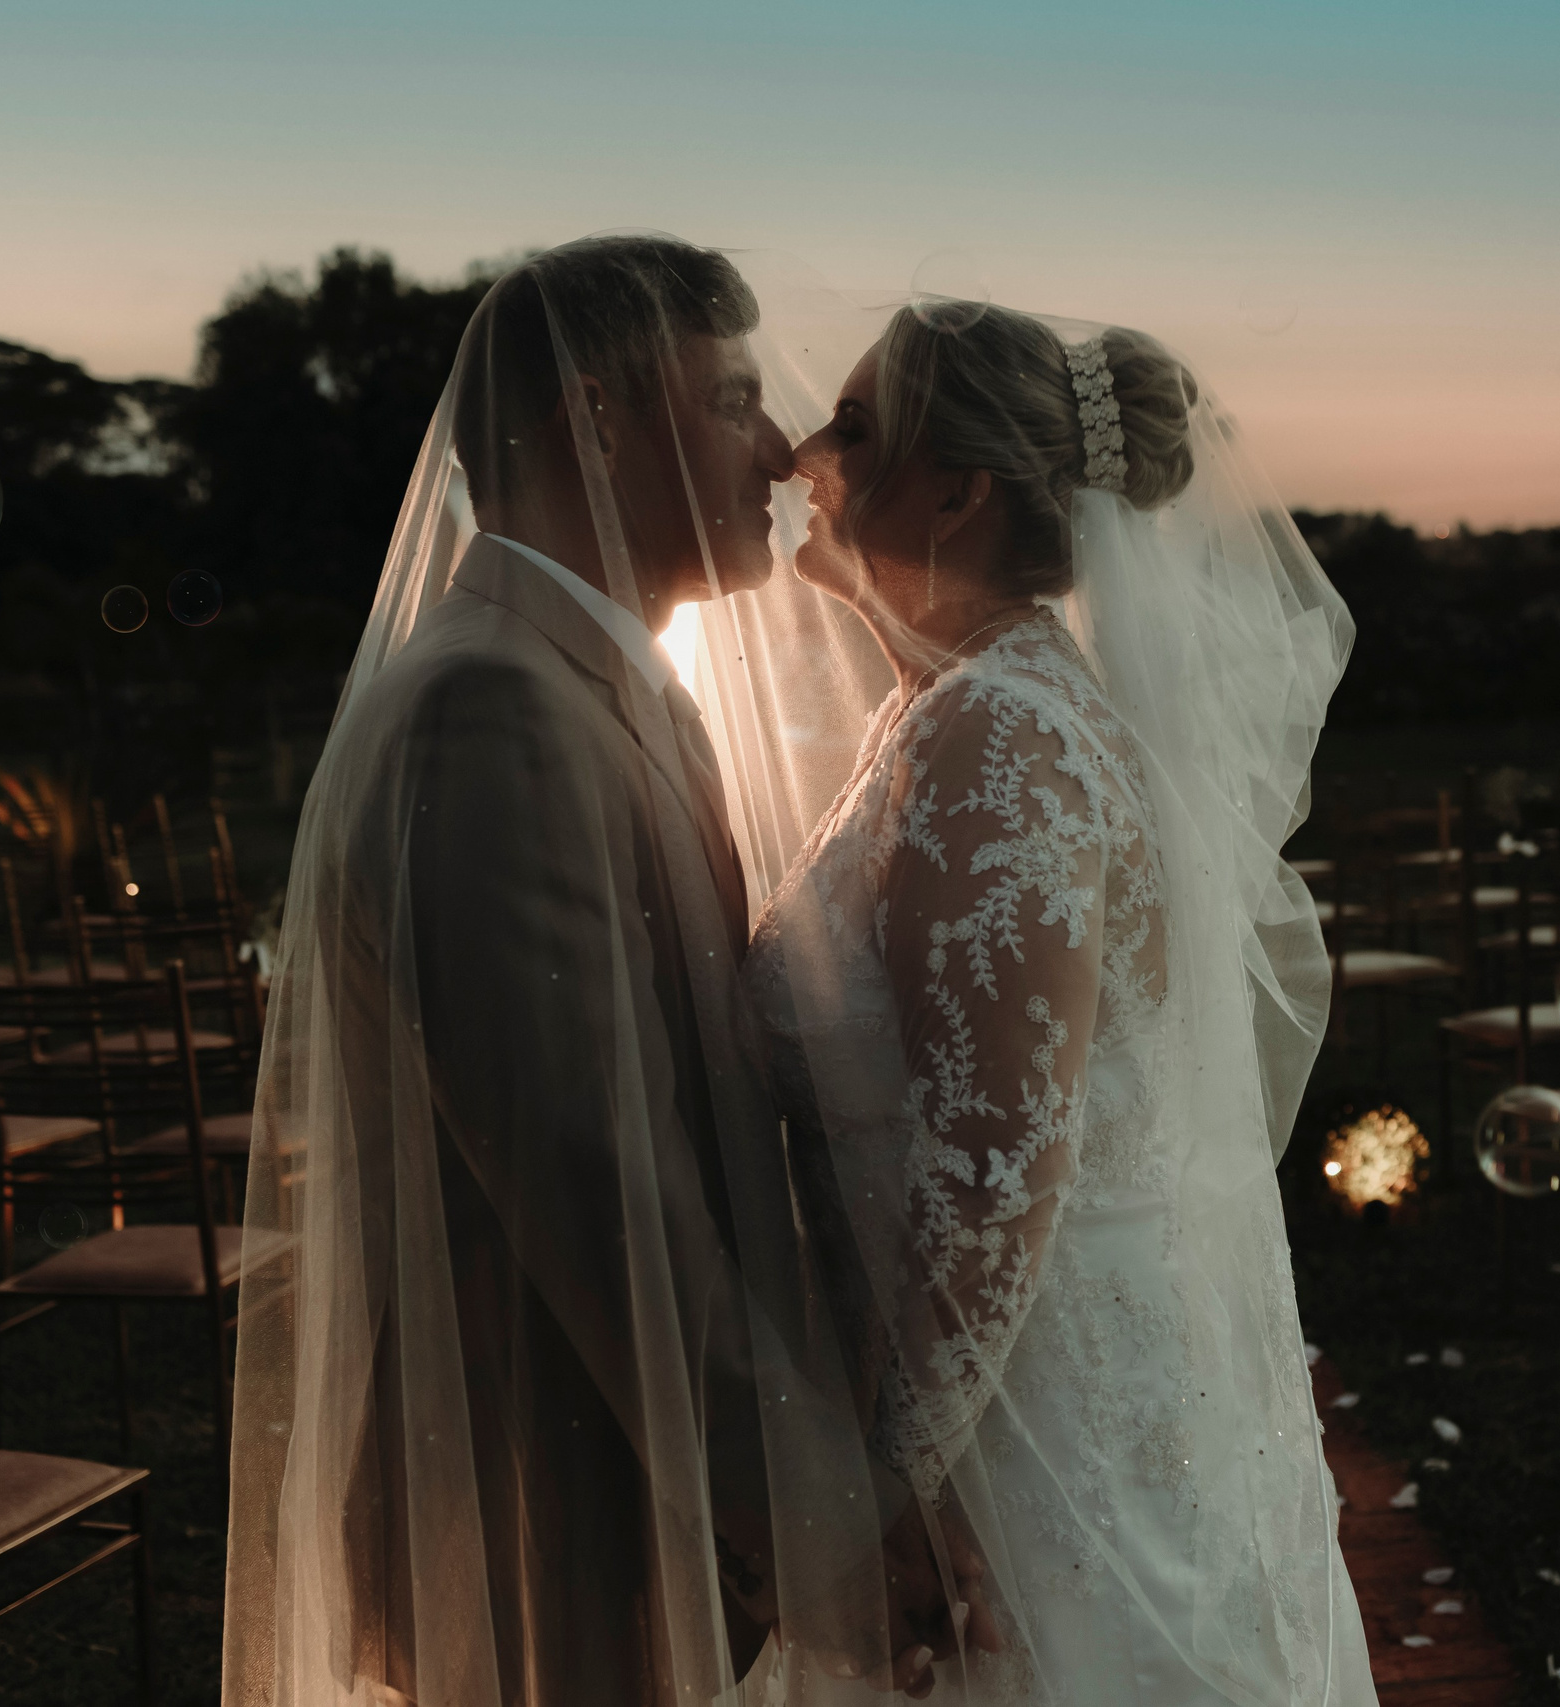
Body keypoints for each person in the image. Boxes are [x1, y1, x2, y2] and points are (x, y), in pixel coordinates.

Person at [221, 235, 979, 1707]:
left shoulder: (596, 684)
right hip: (550, 1503)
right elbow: (594, 1179)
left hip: (642, 1483)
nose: (779, 449)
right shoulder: (484, 714)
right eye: (734, 399)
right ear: (596, 417)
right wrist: (823, 1523)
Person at [695, 295, 1376, 1702]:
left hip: (1032, 1459)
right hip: (1036, 1402)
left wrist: (878, 1498)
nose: (805, 451)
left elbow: (1000, 1170)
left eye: (859, 425)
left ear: (959, 486)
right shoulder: (964, 707)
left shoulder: (1000, 737)